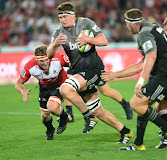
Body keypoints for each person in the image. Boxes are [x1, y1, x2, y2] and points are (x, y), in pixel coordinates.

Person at [47, 2, 134, 143]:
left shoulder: (85, 23)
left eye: (64, 16)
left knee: (65, 88)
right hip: (77, 71)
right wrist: (54, 45)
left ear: (72, 15)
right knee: (99, 111)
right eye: (60, 17)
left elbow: (104, 41)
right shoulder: (58, 32)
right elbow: (49, 55)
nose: (62, 20)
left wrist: (88, 39)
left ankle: (88, 116)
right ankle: (126, 132)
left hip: (93, 69)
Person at [101, 8, 167, 150]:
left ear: (132, 23)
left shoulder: (144, 34)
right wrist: (115, 75)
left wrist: (140, 81)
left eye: (126, 23)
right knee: (144, 106)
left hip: (164, 76)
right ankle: (139, 144)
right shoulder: (153, 27)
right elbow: (141, 64)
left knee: (136, 104)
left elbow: (151, 56)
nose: (126, 27)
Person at [15, 44, 70, 140]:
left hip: (61, 84)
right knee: (45, 115)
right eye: (41, 61)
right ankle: (50, 129)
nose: (45, 63)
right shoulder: (29, 66)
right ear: (36, 60)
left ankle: (64, 117)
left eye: (46, 59)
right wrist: (23, 92)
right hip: (44, 88)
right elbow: (19, 83)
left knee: (52, 107)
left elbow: (75, 64)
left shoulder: (58, 58)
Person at [65, 68, 133, 121]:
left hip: (92, 69)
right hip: (76, 69)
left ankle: (125, 104)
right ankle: (69, 113)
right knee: (68, 87)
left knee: (105, 91)